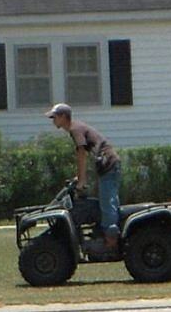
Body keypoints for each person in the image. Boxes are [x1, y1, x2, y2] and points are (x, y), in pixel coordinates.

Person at [45, 103, 121, 255]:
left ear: (64, 117)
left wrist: (82, 180)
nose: (53, 120)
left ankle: (111, 240)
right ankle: (108, 231)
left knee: (107, 200)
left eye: (55, 117)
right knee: (108, 198)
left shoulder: (74, 129)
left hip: (108, 164)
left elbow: (81, 153)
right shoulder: (77, 127)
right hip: (107, 164)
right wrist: (79, 177)